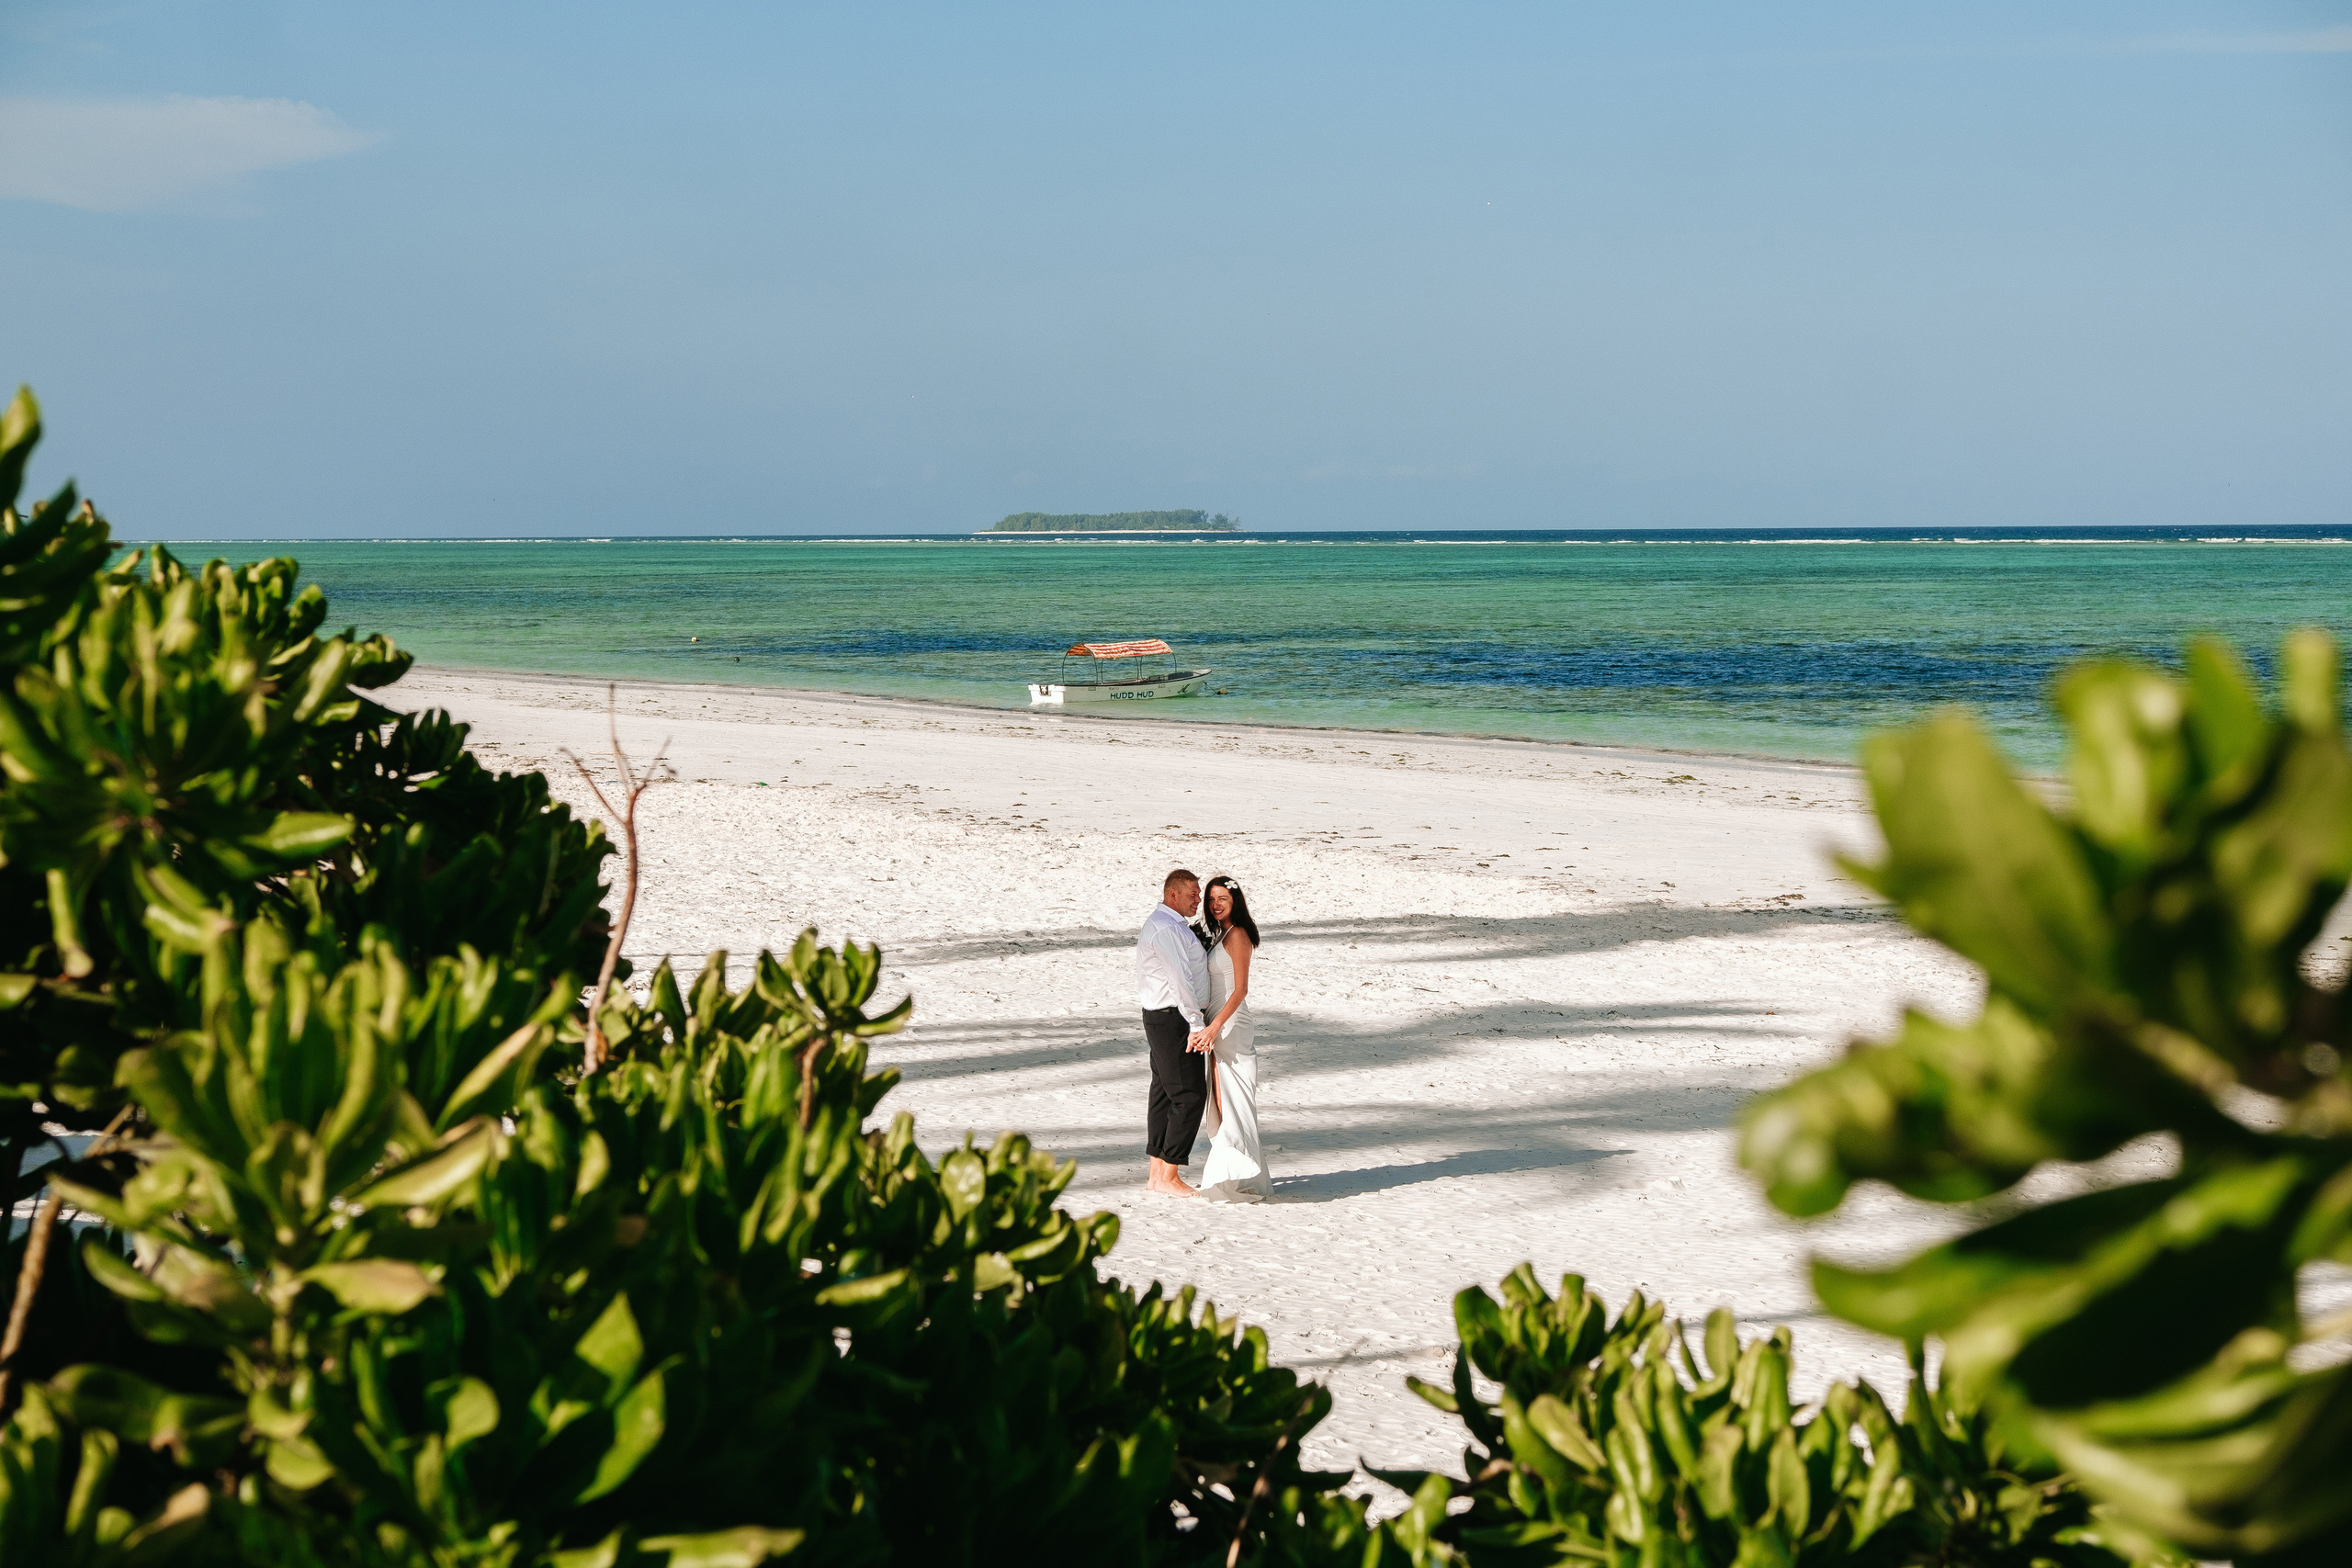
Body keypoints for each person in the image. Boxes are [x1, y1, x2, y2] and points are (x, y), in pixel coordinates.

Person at [1191, 874, 1270, 1201]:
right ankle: (1236, 1174)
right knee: (1222, 1098)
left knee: (1233, 1096)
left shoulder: (1238, 935)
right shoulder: (1221, 933)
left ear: (1235, 900)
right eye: (1211, 899)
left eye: (1222, 898)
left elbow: (1240, 990)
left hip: (1231, 1022)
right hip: (1218, 1020)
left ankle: (1235, 1174)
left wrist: (1213, 1027)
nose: (1215, 905)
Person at [1136, 867, 1210, 1196]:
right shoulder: (1165, 929)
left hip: (1163, 1018)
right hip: (1173, 1019)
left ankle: (1157, 1174)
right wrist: (1196, 1024)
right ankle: (1169, 1175)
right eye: (1193, 894)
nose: (1199, 899)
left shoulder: (1171, 926)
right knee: (1189, 1095)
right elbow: (1180, 981)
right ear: (1173, 895)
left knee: (1164, 1092)